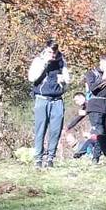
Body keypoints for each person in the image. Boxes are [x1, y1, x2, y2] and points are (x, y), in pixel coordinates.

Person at [27, 40, 69, 168]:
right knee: (40, 130)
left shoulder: (62, 61)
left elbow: (67, 79)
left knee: (56, 130)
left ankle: (50, 158)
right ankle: (38, 159)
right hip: (42, 99)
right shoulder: (39, 60)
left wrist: (63, 82)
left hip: (57, 100)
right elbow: (32, 78)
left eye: (54, 52)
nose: (53, 55)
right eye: (50, 52)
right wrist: (44, 64)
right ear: (46, 50)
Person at [81, 55, 106, 163]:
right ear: (101, 63)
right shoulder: (91, 73)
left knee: (103, 134)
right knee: (99, 131)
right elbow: (93, 89)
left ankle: (95, 158)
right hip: (95, 106)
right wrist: (104, 78)